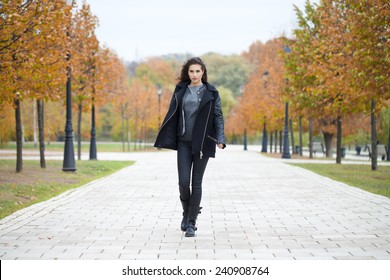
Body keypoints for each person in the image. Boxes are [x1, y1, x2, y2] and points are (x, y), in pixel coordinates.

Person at [154, 57, 226, 237]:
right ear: (187, 72)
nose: (194, 74)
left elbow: (218, 116)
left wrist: (220, 138)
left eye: (197, 71)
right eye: (191, 71)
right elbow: (173, 114)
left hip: (202, 142)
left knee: (197, 182)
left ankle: (191, 223)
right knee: (183, 182)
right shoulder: (181, 90)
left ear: (203, 72)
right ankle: (186, 213)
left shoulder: (211, 92)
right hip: (184, 142)